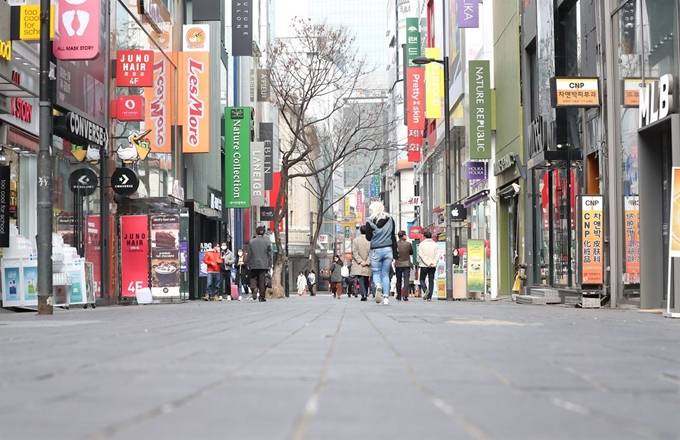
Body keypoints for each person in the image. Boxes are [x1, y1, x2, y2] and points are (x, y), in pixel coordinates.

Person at [365, 201, 397, 306]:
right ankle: (386, 298)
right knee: (385, 274)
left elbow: (368, 237)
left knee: (376, 273)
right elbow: (393, 236)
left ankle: (378, 285)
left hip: (375, 250)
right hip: (388, 249)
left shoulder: (369, 222)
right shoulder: (391, 220)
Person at [248, 226, 272, 302]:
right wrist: (270, 264)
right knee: (262, 280)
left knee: (253, 277)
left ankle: (254, 287)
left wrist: (248, 262)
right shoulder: (267, 242)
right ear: (264, 232)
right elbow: (269, 254)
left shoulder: (251, 242)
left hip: (253, 263)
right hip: (264, 263)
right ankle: (261, 297)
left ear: (256, 232)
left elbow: (249, 254)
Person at [351, 225, 372, 301]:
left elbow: (354, 252)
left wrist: (360, 261)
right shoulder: (370, 240)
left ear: (360, 231)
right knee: (366, 278)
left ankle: (363, 294)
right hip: (367, 264)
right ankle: (365, 293)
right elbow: (372, 253)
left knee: (361, 279)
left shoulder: (356, 240)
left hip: (359, 264)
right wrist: (367, 262)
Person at [418, 231, 440, 301]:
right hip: (433, 265)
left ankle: (425, 290)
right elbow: (438, 255)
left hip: (424, 265)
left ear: (424, 236)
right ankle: (429, 296)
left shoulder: (421, 244)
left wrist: (427, 263)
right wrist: (434, 262)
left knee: (422, 279)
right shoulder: (435, 245)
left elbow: (421, 255)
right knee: (431, 280)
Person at [395, 230, 413, 301]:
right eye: (405, 235)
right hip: (406, 264)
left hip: (398, 264)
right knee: (406, 280)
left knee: (398, 280)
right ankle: (405, 296)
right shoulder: (408, 244)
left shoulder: (396, 244)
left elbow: (394, 254)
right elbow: (411, 252)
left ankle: (399, 295)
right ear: (403, 236)